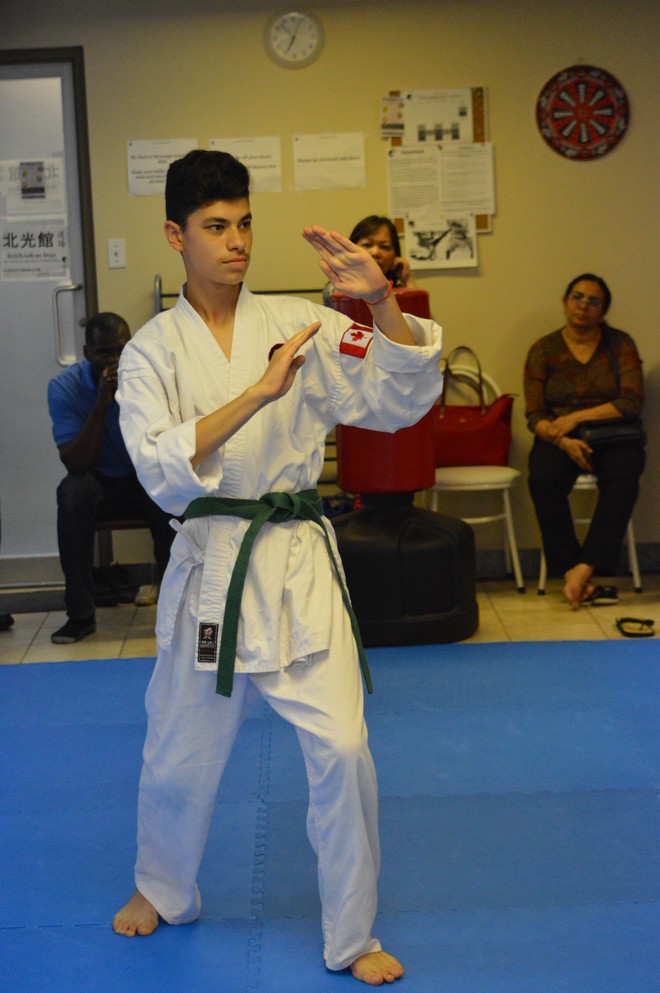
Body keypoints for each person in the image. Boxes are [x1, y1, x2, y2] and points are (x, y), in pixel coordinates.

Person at [111, 149, 443, 986]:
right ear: (175, 236)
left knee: (345, 747)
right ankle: (162, 884)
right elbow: (158, 467)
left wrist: (379, 300)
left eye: (246, 223)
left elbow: (401, 396)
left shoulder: (306, 323)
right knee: (178, 751)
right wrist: (259, 392)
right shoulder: (151, 352)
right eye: (216, 226)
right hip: (213, 566)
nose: (237, 241)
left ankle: (352, 932)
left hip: (297, 561)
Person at [47, 313, 176, 644]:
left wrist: (133, 395)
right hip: (99, 482)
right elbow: (75, 463)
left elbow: (171, 445)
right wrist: (101, 404)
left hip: (145, 476)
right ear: (87, 353)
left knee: (174, 490)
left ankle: (176, 613)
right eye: (105, 352)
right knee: (72, 493)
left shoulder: (153, 378)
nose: (116, 360)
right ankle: (80, 616)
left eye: (123, 349)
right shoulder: (65, 387)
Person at [524, 274, 645, 609]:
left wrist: (576, 418)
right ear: (565, 302)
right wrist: (564, 441)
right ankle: (571, 571)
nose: (584, 306)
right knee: (542, 479)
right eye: (577, 297)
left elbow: (632, 402)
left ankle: (585, 568)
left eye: (594, 301)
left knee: (624, 479)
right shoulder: (543, 348)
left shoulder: (620, 345)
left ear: (603, 310)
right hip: (560, 438)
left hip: (614, 435)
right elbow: (535, 414)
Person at [322, 214, 416, 306]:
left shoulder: (398, 291)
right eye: (367, 245)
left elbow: (420, 315)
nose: (375, 252)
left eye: (384, 247)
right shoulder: (337, 288)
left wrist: (408, 280)